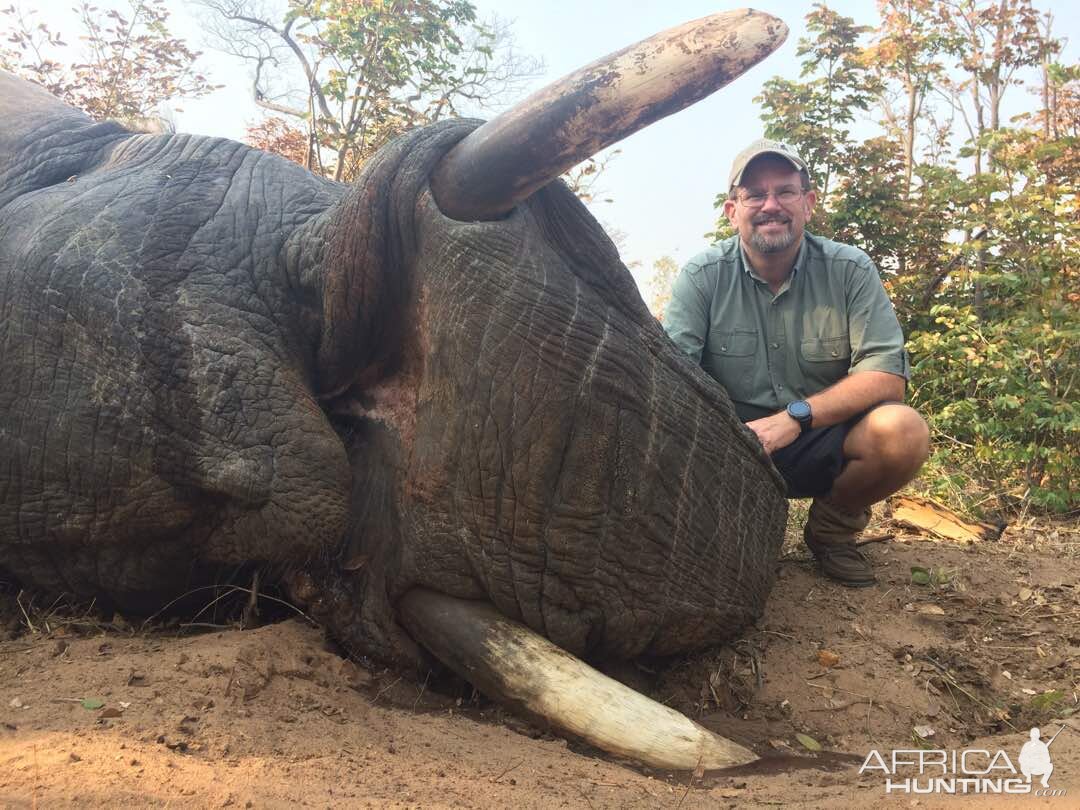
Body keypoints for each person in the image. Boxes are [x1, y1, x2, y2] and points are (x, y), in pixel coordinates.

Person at [663, 138, 930, 587]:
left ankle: (831, 532)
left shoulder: (850, 269)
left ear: (807, 204)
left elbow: (886, 376)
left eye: (785, 191)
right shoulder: (701, 276)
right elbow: (669, 380)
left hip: (820, 435)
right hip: (730, 446)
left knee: (903, 431)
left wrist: (794, 418)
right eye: (754, 195)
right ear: (732, 211)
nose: (771, 205)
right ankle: (714, 532)